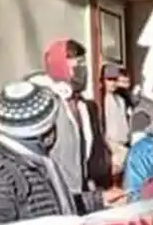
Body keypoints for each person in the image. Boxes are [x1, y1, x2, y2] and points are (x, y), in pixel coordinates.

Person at [0, 81, 117, 225]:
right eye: (53, 125)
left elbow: (54, 207)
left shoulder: (33, 163)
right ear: (42, 132)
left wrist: (99, 200)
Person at [30, 39, 112, 192]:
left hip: (82, 190)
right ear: (59, 65)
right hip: (55, 191)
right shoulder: (46, 104)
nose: (82, 68)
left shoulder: (84, 106)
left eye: (83, 62)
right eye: (75, 62)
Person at [101, 63, 131, 181]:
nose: (113, 83)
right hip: (111, 145)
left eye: (115, 79)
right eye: (109, 79)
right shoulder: (102, 100)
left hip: (123, 144)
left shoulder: (121, 100)